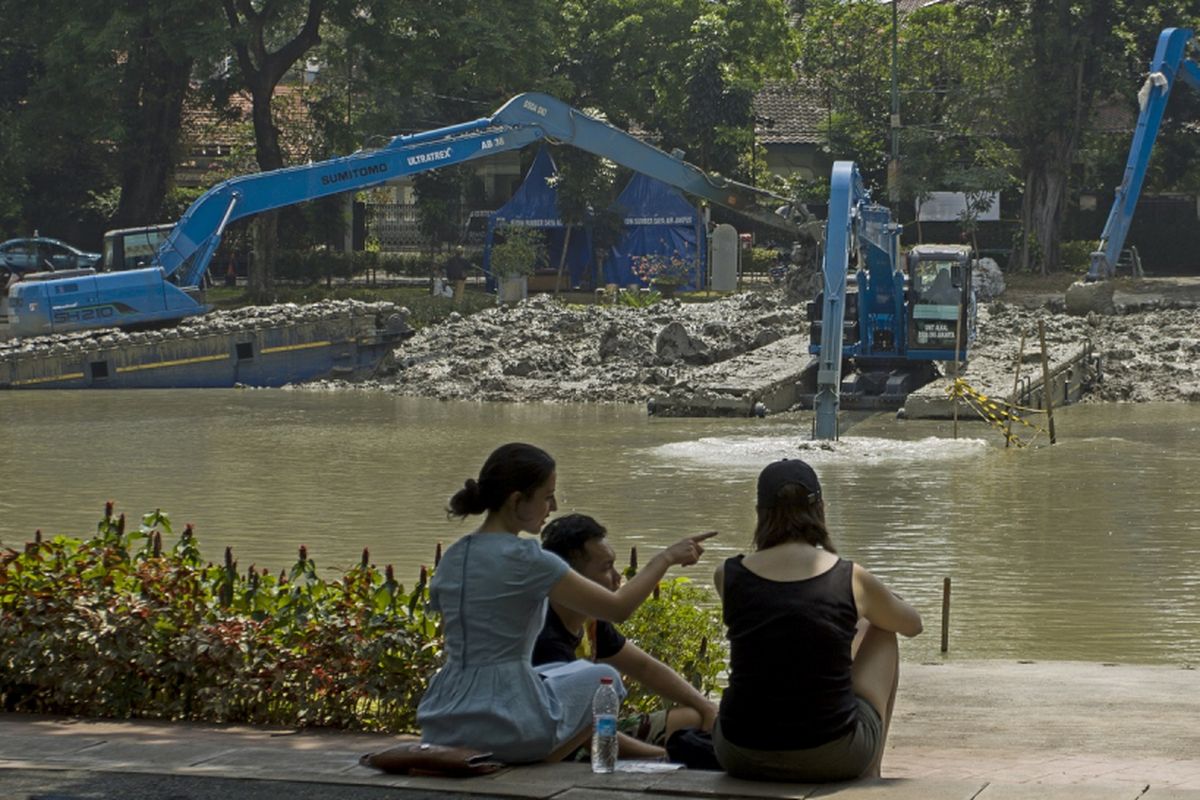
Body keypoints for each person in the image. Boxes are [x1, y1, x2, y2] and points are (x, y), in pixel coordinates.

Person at [417, 443, 717, 764]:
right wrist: (666, 558)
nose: (554, 505)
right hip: (505, 726)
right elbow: (619, 608)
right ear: (518, 500)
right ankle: (539, 763)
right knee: (603, 678)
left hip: (442, 721)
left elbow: (454, 637)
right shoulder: (528, 558)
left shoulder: (454, 555)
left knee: (559, 673)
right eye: (547, 496)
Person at [712, 459, 923, 782]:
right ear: (820, 509)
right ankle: (870, 775)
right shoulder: (849, 577)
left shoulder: (728, 574)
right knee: (882, 628)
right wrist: (880, 600)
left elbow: (784, 625)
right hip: (833, 754)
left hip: (740, 752)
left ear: (759, 513)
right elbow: (912, 625)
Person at [534, 513, 718, 759]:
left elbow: (644, 668)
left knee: (694, 716)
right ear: (572, 579)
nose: (618, 578)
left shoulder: (590, 620)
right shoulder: (545, 638)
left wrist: (707, 707)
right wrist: (665, 758)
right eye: (606, 567)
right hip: (568, 751)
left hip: (600, 730)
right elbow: (590, 736)